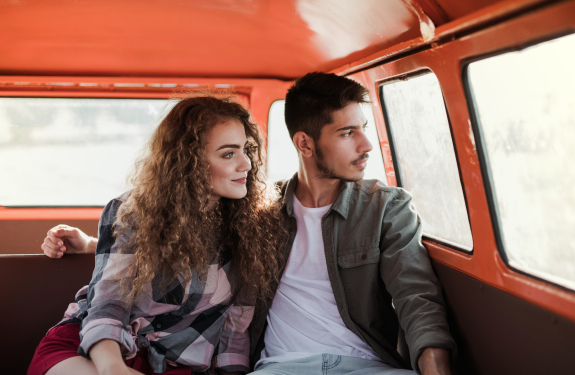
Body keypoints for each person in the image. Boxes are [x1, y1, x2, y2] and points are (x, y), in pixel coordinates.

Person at [43, 72, 456, 375]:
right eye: (348, 132)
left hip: (355, 363)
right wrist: (96, 243)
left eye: (246, 150)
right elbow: (120, 282)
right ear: (304, 143)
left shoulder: (264, 216)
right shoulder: (248, 212)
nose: (246, 163)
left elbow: (416, 298)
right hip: (121, 348)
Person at [31, 96, 284, 375]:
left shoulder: (253, 227)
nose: (246, 164)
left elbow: (235, 330)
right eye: (228, 154)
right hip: (95, 349)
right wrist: (112, 368)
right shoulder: (132, 212)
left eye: (246, 149)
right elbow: (108, 304)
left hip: (175, 364)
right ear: (189, 162)